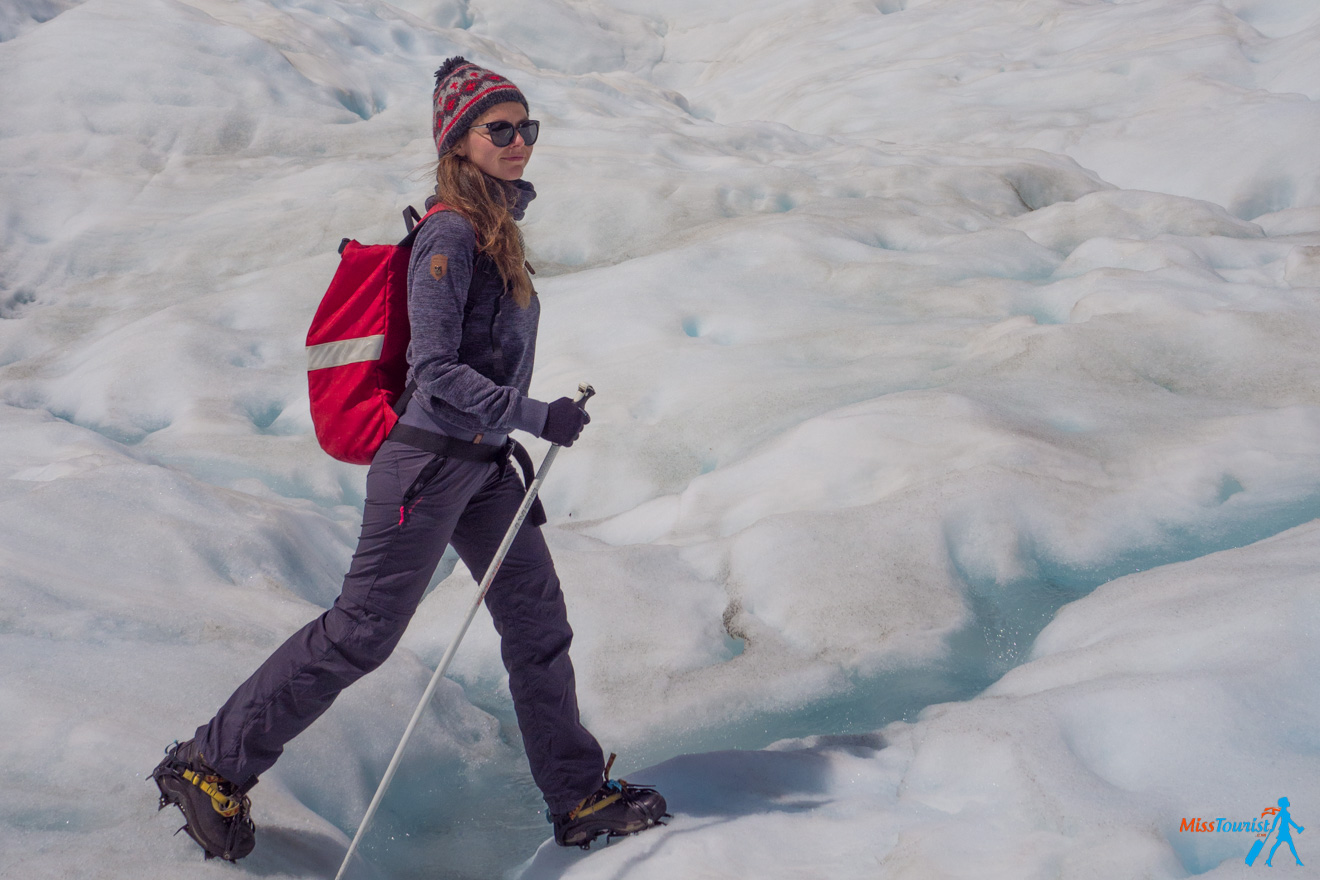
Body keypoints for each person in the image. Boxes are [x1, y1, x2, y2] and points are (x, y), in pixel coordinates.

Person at [151, 56, 666, 862]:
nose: (521, 141)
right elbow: (434, 373)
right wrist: (536, 415)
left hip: (485, 468)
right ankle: (209, 763)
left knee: (537, 627)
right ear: (458, 142)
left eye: (528, 127)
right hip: (426, 465)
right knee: (363, 632)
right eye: (502, 129)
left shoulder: (496, 229)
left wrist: (515, 430)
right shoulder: (450, 235)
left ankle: (575, 797)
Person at [1267, 796, 1304, 867]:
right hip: (1284, 831)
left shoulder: (1285, 812)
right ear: (1284, 804)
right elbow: (1276, 819)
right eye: (1287, 801)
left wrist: (1297, 827)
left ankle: (1269, 860)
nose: (1288, 802)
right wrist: (1273, 828)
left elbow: (1289, 821)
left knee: (1279, 845)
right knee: (1288, 846)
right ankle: (1297, 860)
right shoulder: (1283, 811)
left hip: (1285, 830)